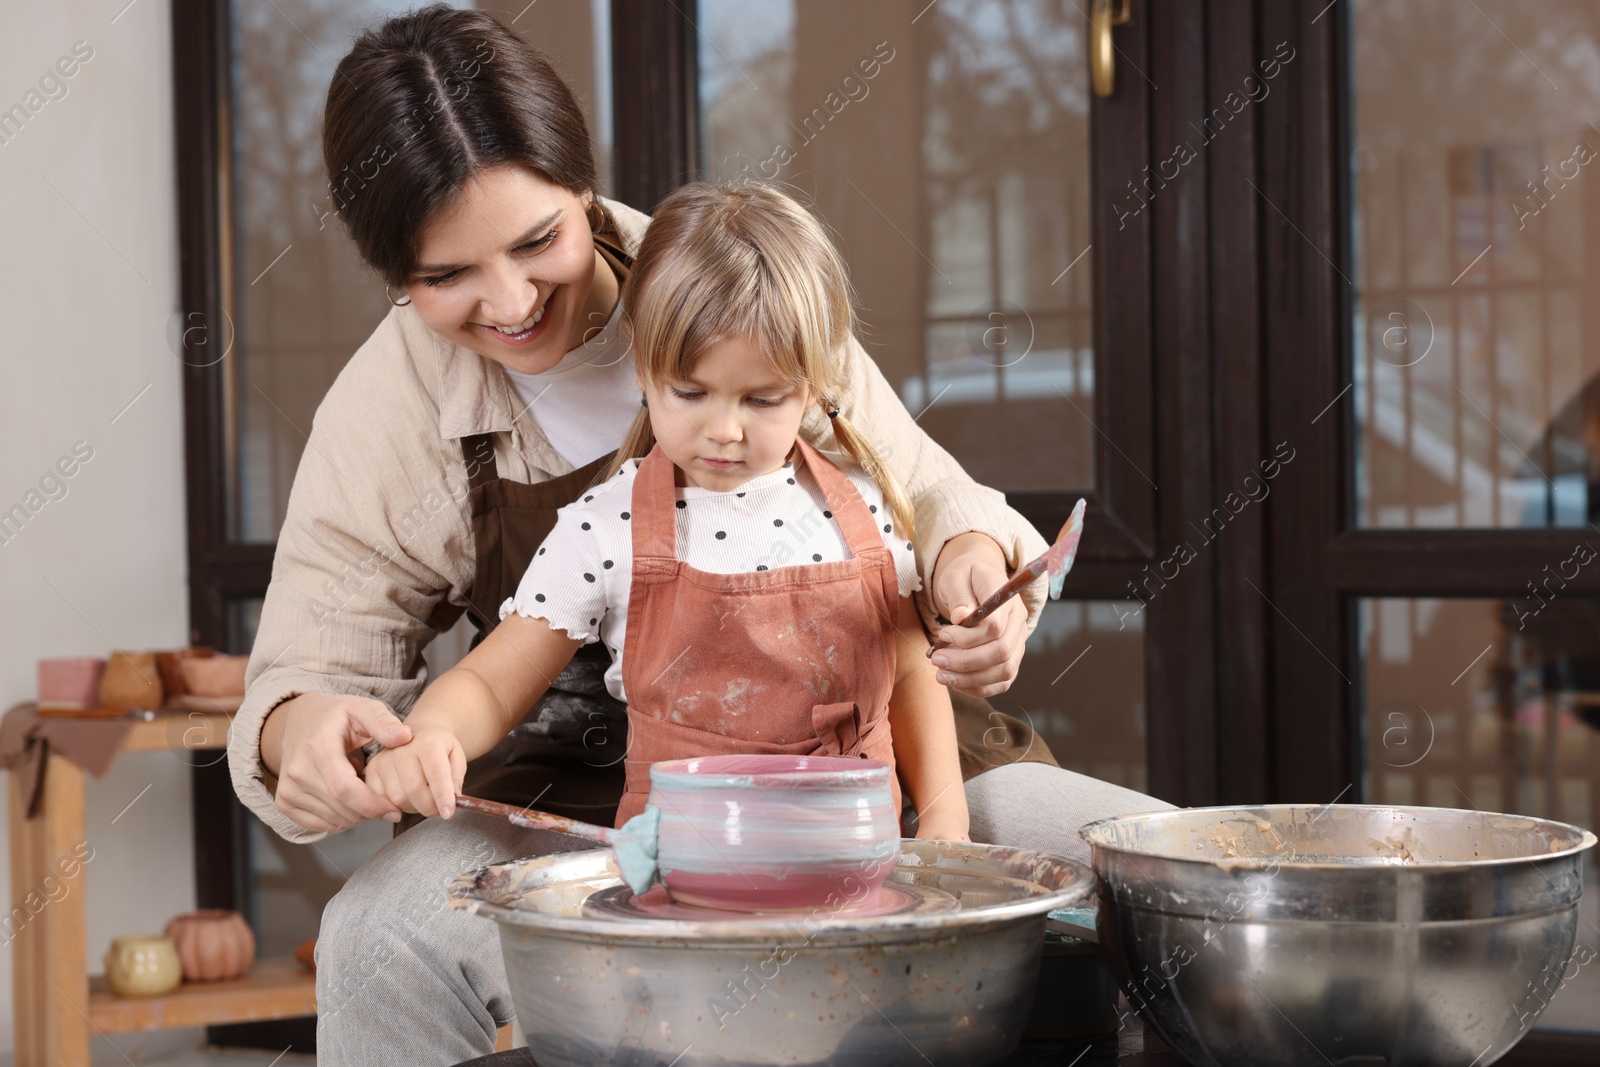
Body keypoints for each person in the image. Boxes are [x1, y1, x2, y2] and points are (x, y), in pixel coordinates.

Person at [224, 6, 1169, 1064]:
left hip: (873, 773)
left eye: (539, 240)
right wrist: (303, 730)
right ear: (394, 275)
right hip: (599, 806)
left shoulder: (733, 282)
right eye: (445, 277)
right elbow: (313, 669)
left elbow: (932, 497)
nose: (510, 298)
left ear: (580, 185)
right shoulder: (389, 408)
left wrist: (972, 566)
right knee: (376, 937)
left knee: (1168, 884)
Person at [366, 181, 971, 844]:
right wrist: (433, 732)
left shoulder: (864, 507)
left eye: (762, 399)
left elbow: (911, 676)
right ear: (644, 367)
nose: (725, 430)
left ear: (814, 384)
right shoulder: (607, 524)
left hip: (857, 876)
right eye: (691, 392)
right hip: (680, 894)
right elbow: (489, 683)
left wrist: (944, 815)